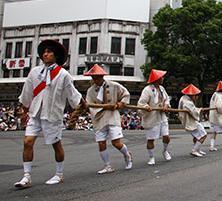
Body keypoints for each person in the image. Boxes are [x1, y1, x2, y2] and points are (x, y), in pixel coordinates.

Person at [15, 39, 84, 188]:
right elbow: (27, 92)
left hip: (52, 115)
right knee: (27, 142)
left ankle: (59, 174)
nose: (46, 54)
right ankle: (26, 176)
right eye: (44, 52)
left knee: (55, 144)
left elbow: (72, 94)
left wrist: (80, 103)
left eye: (49, 52)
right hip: (35, 113)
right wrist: (25, 111)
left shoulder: (63, 75)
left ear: (56, 56)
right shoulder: (34, 72)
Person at [84, 64, 133, 174]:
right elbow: (90, 105)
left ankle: (127, 155)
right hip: (99, 117)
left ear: (102, 77)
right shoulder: (91, 91)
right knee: (101, 143)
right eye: (93, 78)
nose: (95, 81)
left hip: (112, 116)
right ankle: (107, 166)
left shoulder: (114, 86)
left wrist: (121, 103)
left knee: (116, 142)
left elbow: (125, 94)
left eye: (97, 78)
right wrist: (104, 107)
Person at [138, 69, 171, 165]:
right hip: (152, 116)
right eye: (161, 78)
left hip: (161, 115)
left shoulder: (161, 88)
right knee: (151, 139)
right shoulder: (147, 90)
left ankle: (165, 150)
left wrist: (166, 105)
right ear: (157, 79)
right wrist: (146, 107)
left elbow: (167, 99)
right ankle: (151, 157)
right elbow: (141, 103)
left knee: (166, 137)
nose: (163, 79)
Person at [178, 84, 208, 157]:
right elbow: (193, 112)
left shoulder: (183, 98)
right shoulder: (188, 102)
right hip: (191, 120)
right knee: (203, 135)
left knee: (196, 136)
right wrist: (199, 111)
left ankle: (197, 149)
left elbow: (192, 109)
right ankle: (194, 150)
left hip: (187, 120)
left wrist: (198, 109)